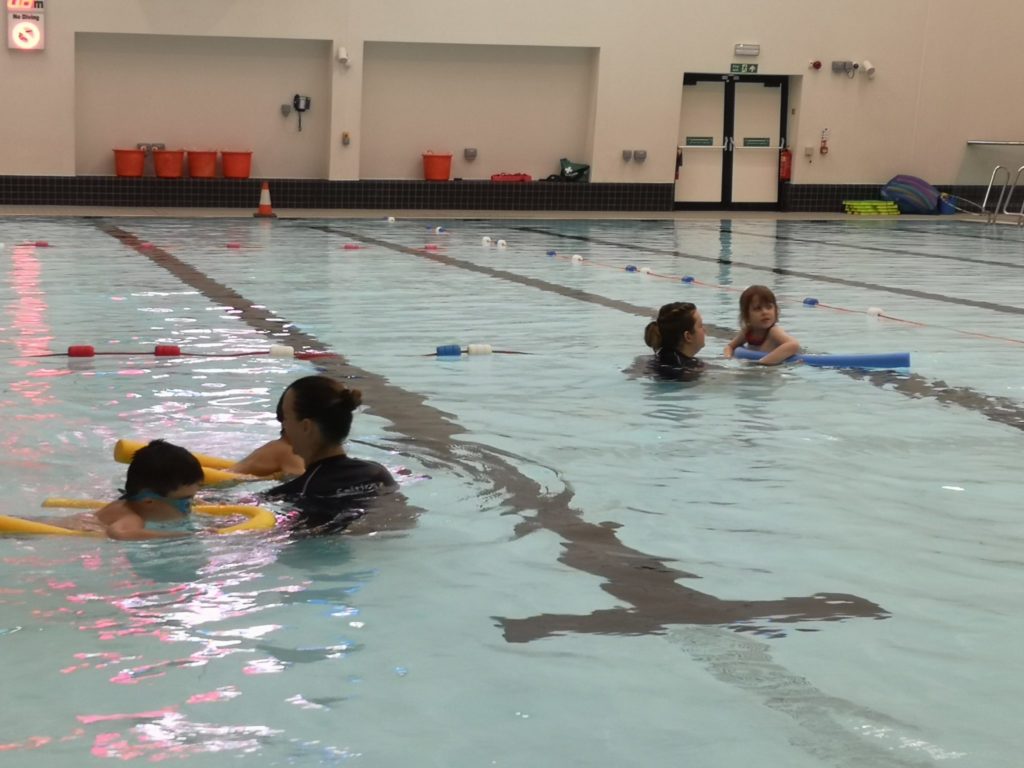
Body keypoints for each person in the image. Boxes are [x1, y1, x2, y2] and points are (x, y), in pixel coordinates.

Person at [262, 375, 398, 531]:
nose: (283, 425)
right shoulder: (376, 472)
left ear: (306, 426)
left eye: (285, 418)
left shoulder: (296, 491)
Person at [54, 440, 204, 540]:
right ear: (148, 501)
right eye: (186, 501)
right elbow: (119, 533)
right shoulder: (131, 517)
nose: (189, 507)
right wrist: (183, 535)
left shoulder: (134, 503)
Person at [723, 285, 800, 366]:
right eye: (757, 308)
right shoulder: (748, 331)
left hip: (772, 371)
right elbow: (730, 346)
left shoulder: (774, 331)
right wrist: (728, 358)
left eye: (769, 307)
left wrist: (764, 362)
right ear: (746, 315)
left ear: (776, 310)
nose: (765, 312)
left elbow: (793, 344)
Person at [643, 301, 706, 380]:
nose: (704, 329)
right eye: (700, 326)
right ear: (688, 336)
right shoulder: (685, 373)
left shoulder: (657, 359)